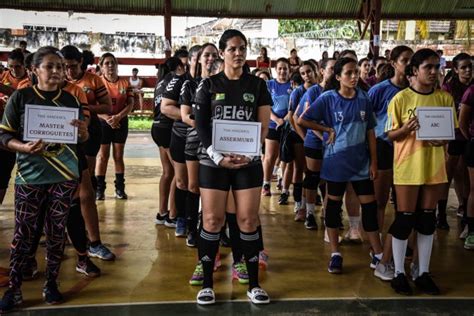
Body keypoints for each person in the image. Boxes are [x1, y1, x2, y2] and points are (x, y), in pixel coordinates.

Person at [0, 46, 88, 312]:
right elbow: (4, 136)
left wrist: (84, 132)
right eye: (49, 66)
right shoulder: (21, 97)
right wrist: (23, 147)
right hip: (31, 177)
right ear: (34, 70)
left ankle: (51, 282)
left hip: (64, 176)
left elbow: (80, 139)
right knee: (23, 233)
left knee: (57, 232)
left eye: (60, 67)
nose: (56, 71)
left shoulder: (71, 100)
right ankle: (14, 287)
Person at [194, 29, 271, 305]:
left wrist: (252, 152)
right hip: (213, 162)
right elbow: (201, 125)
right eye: (233, 49)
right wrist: (216, 155)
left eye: (243, 48)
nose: (239, 53)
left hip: (248, 162)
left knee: (248, 220)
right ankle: (206, 284)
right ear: (222, 52)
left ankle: (253, 284)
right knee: (212, 220)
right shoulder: (208, 85)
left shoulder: (258, 85)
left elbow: (263, 126)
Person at [298, 57, 384, 275]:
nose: (354, 76)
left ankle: (378, 253)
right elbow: (302, 120)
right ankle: (335, 253)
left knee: (370, 208)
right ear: (337, 77)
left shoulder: (364, 99)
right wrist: (326, 130)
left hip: (361, 164)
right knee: (333, 207)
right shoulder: (327, 98)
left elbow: (371, 132)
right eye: (348, 73)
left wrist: (374, 162)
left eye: (356, 72)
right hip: (335, 162)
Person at [385, 48, 457, 295]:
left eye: (437, 67)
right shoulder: (400, 99)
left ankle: (423, 271)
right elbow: (390, 135)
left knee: (427, 220)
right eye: (429, 67)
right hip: (407, 168)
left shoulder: (444, 98)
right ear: (414, 71)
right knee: (405, 218)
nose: (434, 72)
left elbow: (451, 132)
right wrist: (405, 129)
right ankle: (398, 273)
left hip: (434, 168)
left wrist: (443, 141)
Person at [61, 45, 115, 261]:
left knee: (84, 187)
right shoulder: (46, 86)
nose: (68, 72)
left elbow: (107, 107)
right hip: (59, 138)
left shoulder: (91, 82)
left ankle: (92, 241)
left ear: (81, 63)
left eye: (72, 67)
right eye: (63, 67)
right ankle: (65, 234)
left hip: (87, 132)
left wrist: (83, 108)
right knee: (62, 189)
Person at [368, 45, 414, 281]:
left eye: (411, 60)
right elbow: (367, 121)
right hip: (384, 148)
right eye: (404, 60)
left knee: (404, 205)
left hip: (409, 152)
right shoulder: (379, 90)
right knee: (380, 201)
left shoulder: (417, 91)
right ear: (394, 62)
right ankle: (376, 250)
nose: (408, 64)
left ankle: (400, 246)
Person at [161, 45, 201, 237]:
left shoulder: (215, 81)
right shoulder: (180, 80)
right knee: (182, 181)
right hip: (181, 136)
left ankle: (200, 220)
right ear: (192, 60)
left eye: (210, 56)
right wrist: (192, 117)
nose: (205, 61)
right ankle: (182, 219)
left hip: (206, 140)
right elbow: (165, 108)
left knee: (203, 183)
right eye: (200, 57)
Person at [439, 53, 473, 230]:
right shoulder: (448, 88)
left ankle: (465, 209)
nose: (468, 71)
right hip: (452, 136)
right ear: (456, 69)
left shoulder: (473, 87)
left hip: (468, 137)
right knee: (449, 173)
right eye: (464, 67)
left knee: (466, 175)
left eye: (470, 67)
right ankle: (441, 214)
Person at [151, 57, 185, 228]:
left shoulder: (161, 82)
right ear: (179, 67)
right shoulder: (175, 80)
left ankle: (162, 212)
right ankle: (173, 215)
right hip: (167, 128)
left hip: (157, 127)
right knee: (179, 174)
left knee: (168, 172)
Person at [96, 53, 134, 200]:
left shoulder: (125, 83)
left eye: (113, 63)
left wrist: (118, 117)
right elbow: (94, 105)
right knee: (102, 156)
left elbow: (130, 104)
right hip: (102, 122)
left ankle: (120, 188)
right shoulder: (97, 82)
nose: (110, 66)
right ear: (101, 66)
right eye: (107, 63)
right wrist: (107, 118)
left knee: (118, 156)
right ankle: (99, 190)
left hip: (121, 121)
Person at [0, 49, 28, 205]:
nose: (13, 70)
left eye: (17, 66)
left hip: (25, 133)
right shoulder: (3, 77)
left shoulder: (32, 80)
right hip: (7, 131)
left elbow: (18, 94)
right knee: (3, 173)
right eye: (10, 66)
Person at [262, 58, 291, 197]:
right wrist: (277, 119)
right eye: (280, 68)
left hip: (288, 126)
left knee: (284, 156)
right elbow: (265, 105)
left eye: (285, 68)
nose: (282, 71)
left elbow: (295, 106)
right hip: (272, 124)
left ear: (289, 70)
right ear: (275, 70)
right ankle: (266, 184)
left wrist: (284, 120)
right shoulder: (269, 84)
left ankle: (282, 180)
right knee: (270, 156)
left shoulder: (293, 85)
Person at [459, 84, 474, 249]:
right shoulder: (471, 92)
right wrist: (470, 138)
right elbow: (462, 122)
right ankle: (471, 230)